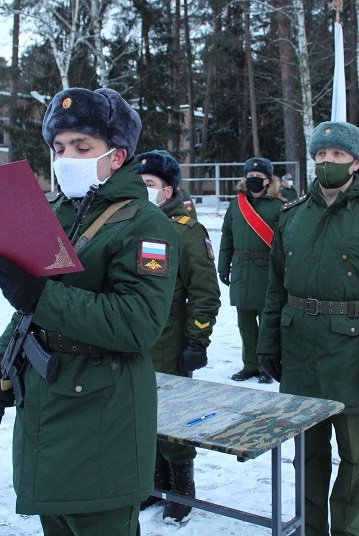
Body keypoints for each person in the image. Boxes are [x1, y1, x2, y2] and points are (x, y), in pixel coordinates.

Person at [0, 87, 179, 536]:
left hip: (103, 414)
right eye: (59, 147)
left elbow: (139, 323)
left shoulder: (145, 225)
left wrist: (39, 297)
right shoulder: (53, 213)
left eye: (82, 147)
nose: (66, 156)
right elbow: (27, 309)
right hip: (48, 408)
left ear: (116, 155)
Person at [257, 121, 359, 536]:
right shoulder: (292, 215)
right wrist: (267, 344)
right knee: (307, 456)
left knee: (355, 458)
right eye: (321, 156)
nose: (327, 163)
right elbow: (275, 288)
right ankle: (311, 530)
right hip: (300, 348)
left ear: (355, 163)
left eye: (337, 156)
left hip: (353, 355)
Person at [136, 149, 221, 523]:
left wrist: (196, 340)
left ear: (168, 191)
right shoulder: (135, 223)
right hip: (137, 334)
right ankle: (155, 482)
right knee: (141, 410)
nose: (142, 191)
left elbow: (205, 292)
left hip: (171, 338)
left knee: (172, 414)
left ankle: (182, 488)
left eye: (149, 185)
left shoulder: (186, 231)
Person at [217, 156, 286, 384]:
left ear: (268, 180)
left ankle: (267, 366)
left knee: (267, 323)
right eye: (251, 176)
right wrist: (223, 266)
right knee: (245, 324)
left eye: (259, 177)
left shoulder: (279, 206)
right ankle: (250, 365)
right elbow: (227, 235)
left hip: (267, 271)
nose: (254, 180)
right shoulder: (237, 204)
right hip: (241, 271)